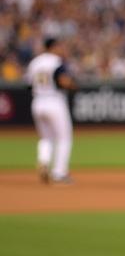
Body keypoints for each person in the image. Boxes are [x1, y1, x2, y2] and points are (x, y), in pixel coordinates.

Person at [24, 36, 77, 184]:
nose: (62, 49)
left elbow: (28, 84)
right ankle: (59, 173)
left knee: (45, 138)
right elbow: (64, 81)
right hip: (54, 101)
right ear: (53, 47)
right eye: (60, 46)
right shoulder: (57, 61)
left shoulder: (34, 62)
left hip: (37, 101)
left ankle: (44, 160)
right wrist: (73, 85)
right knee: (64, 138)